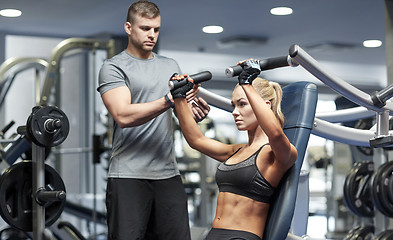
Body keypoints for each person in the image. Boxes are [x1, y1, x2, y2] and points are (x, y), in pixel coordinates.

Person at [96, 1, 210, 239]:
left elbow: (182, 113)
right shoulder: (114, 67)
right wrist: (169, 99)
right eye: (145, 28)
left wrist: (193, 111)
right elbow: (123, 115)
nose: (152, 35)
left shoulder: (170, 66)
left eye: (156, 29)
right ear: (129, 28)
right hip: (128, 176)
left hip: (168, 175)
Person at [171, 59, 298, 240]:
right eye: (234, 105)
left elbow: (276, 135)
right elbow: (196, 140)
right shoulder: (236, 151)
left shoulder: (278, 154)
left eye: (242, 104)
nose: (234, 112)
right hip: (214, 234)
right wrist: (179, 97)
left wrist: (246, 83)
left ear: (265, 106)